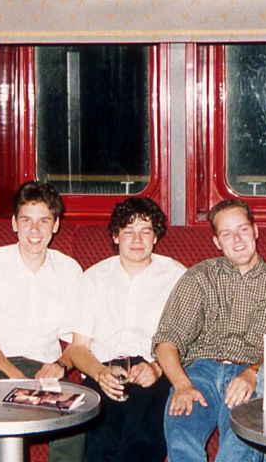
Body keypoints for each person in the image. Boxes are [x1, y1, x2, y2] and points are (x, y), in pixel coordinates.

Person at [152, 198, 266, 462]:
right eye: (227, 234)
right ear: (217, 242)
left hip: (252, 373)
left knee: (238, 448)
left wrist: (254, 372)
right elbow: (167, 340)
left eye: (243, 229)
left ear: (255, 231)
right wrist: (181, 384)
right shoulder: (199, 276)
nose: (237, 240)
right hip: (200, 371)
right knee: (181, 437)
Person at [0, 180, 83, 462]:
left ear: (56, 225)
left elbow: (78, 342)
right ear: (14, 224)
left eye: (44, 221)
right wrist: (14, 376)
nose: (35, 230)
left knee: (75, 417)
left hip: (44, 370)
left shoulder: (69, 270)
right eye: (27, 220)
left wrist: (60, 365)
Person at [67, 197, 187, 462]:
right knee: (100, 443)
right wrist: (99, 373)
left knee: (141, 438)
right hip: (103, 369)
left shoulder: (176, 275)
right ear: (115, 236)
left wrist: (157, 368)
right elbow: (78, 348)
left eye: (145, 231)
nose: (137, 239)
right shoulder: (93, 278)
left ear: (155, 237)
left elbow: (190, 339)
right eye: (128, 231)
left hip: (154, 369)